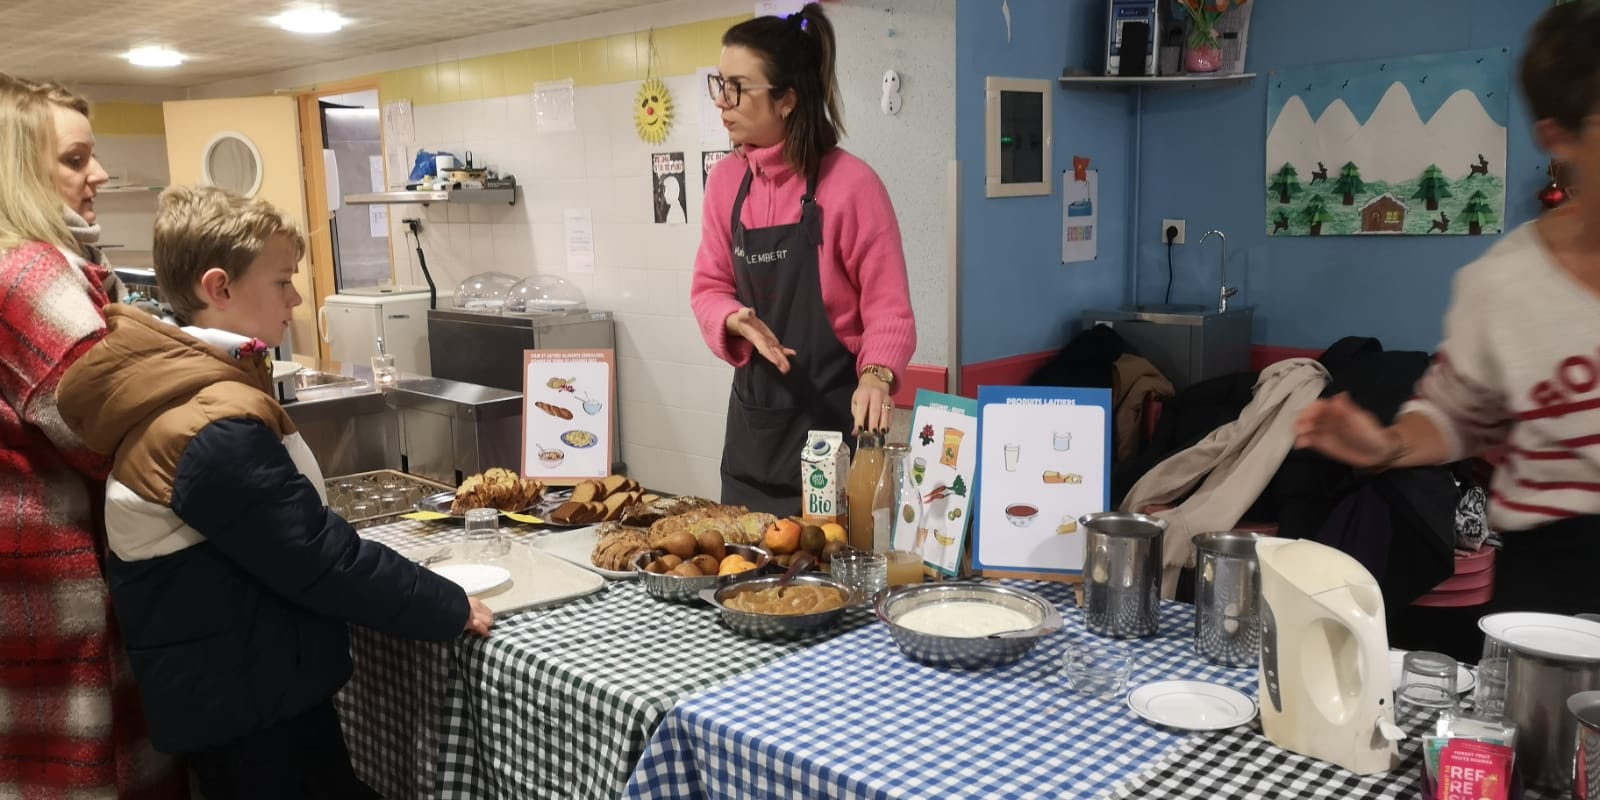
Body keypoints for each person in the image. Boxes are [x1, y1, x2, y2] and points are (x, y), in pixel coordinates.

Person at [56, 185, 494, 800]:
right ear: (220, 288)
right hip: (244, 702)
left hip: (242, 686)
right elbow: (318, 556)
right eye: (282, 281)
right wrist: (444, 605)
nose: (295, 298)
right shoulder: (208, 422)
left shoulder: (197, 385)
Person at [1295, 2, 1600, 620]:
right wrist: (1383, 445)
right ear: (1558, 137)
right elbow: (1455, 417)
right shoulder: (1505, 283)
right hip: (1555, 588)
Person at [0, 74, 190, 798]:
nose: (100, 175)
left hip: (32, 572)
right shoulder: (29, 273)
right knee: (85, 772)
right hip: (58, 576)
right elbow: (107, 427)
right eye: (75, 160)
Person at [690, 2, 916, 515]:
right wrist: (731, 318)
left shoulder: (852, 185)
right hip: (753, 441)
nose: (722, 102)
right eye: (718, 83)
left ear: (787, 100)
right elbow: (708, 286)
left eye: (738, 88)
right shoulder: (727, 182)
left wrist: (877, 376)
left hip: (834, 440)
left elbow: (890, 309)